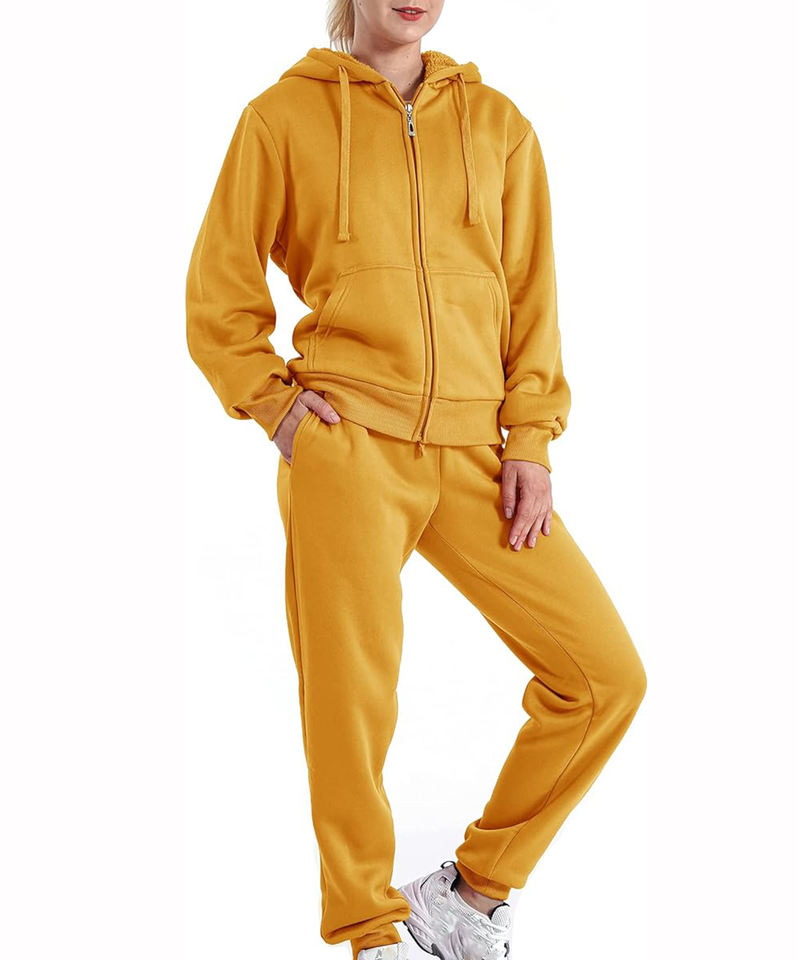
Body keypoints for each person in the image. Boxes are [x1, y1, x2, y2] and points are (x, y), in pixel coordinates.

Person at [186, 2, 647, 958]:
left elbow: (533, 297)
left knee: (603, 676)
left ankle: (471, 894)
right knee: (351, 702)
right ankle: (368, 927)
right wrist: (274, 406)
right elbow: (219, 292)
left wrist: (531, 440)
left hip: (480, 452)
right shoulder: (282, 117)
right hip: (350, 442)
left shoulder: (501, 125)